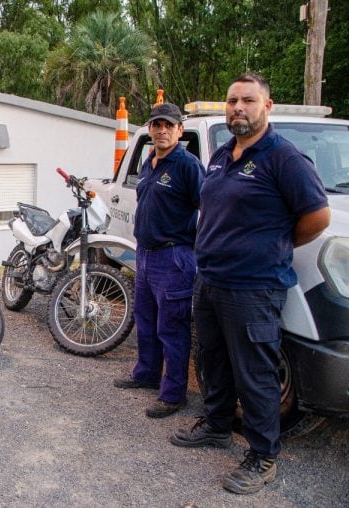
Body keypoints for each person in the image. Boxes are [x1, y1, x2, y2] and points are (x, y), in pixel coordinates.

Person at [170, 73, 331, 495]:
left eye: (248, 100)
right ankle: (217, 425)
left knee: (255, 373)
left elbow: (318, 217)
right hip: (211, 280)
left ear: (267, 106)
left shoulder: (285, 158)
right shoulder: (223, 154)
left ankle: (263, 456)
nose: (238, 107)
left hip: (254, 287)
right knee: (213, 360)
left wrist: (274, 244)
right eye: (232, 100)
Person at [113, 102, 205, 419]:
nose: (162, 130)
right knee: (147, 321)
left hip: (174, 257)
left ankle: (173, 393)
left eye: (168, 125)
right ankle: (146, 373)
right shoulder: (150, 163)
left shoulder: (187, 165)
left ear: (180, 130)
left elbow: (206, 208)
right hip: (146, 255)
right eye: (156, 125)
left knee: (172, 328)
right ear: (150, 130)